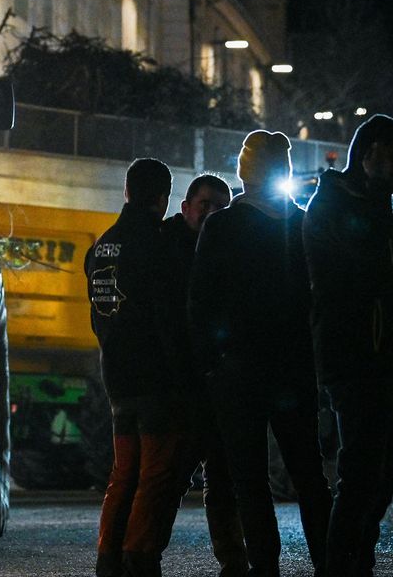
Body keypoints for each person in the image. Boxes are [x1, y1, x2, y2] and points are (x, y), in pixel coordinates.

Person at [304, 114, 393, 577]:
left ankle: (356, 562)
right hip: (354, 357)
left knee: (378, 479)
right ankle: (339, 567)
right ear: (370, 155)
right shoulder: (334, 207)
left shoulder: (372, 206)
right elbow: (362, 262)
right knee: (360, 476)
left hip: (381, 358)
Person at [190, 131, 332, 577]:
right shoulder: (305, 223)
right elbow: (321, 299)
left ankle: (265, 565)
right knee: (309, 475)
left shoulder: (223, 226)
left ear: (245, 172)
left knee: (249, 479)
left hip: (238, 372)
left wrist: (213, 363)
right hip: (294, 370)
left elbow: (202, 301)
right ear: (285, 172)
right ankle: (329, 563)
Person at [87, 157, 186, 577]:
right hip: (154, 378)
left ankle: (108, 558)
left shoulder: (102, 245)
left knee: (123, 472)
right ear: (163, 198)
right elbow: (168, 317)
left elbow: (98, 317)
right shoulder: (158, 244)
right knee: (155, 475)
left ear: (126, 192)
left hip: (117, 378)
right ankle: (139, 558)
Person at [158, 174, 247, 576]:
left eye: (220, 207)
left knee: (222, 480)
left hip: (219, 383)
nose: (212, 214)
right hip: (183, 385)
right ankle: (145, 554)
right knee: (172, 477)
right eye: (205, 204)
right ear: (186, 207)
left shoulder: (224, 249)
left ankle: (232, 561)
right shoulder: (169, 246)